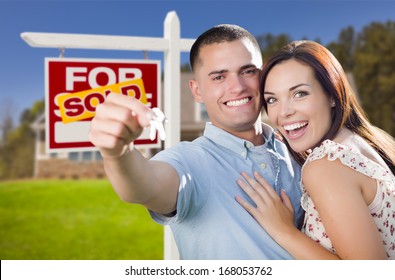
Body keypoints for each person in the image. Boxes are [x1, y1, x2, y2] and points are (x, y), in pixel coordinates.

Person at [89, 24, 304, 259]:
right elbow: (146, 186)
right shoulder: (189, 160)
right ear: (197, 90)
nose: (238, 87)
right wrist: (118, 154)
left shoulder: (295, 149)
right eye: (219, 77)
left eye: (248, 71)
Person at [236, 40, 395, 259]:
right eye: (272, 100)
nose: (283, 113)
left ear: (331, 94)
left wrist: (285, 232)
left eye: (299, 94)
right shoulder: (364, 142)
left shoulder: (326, 166)